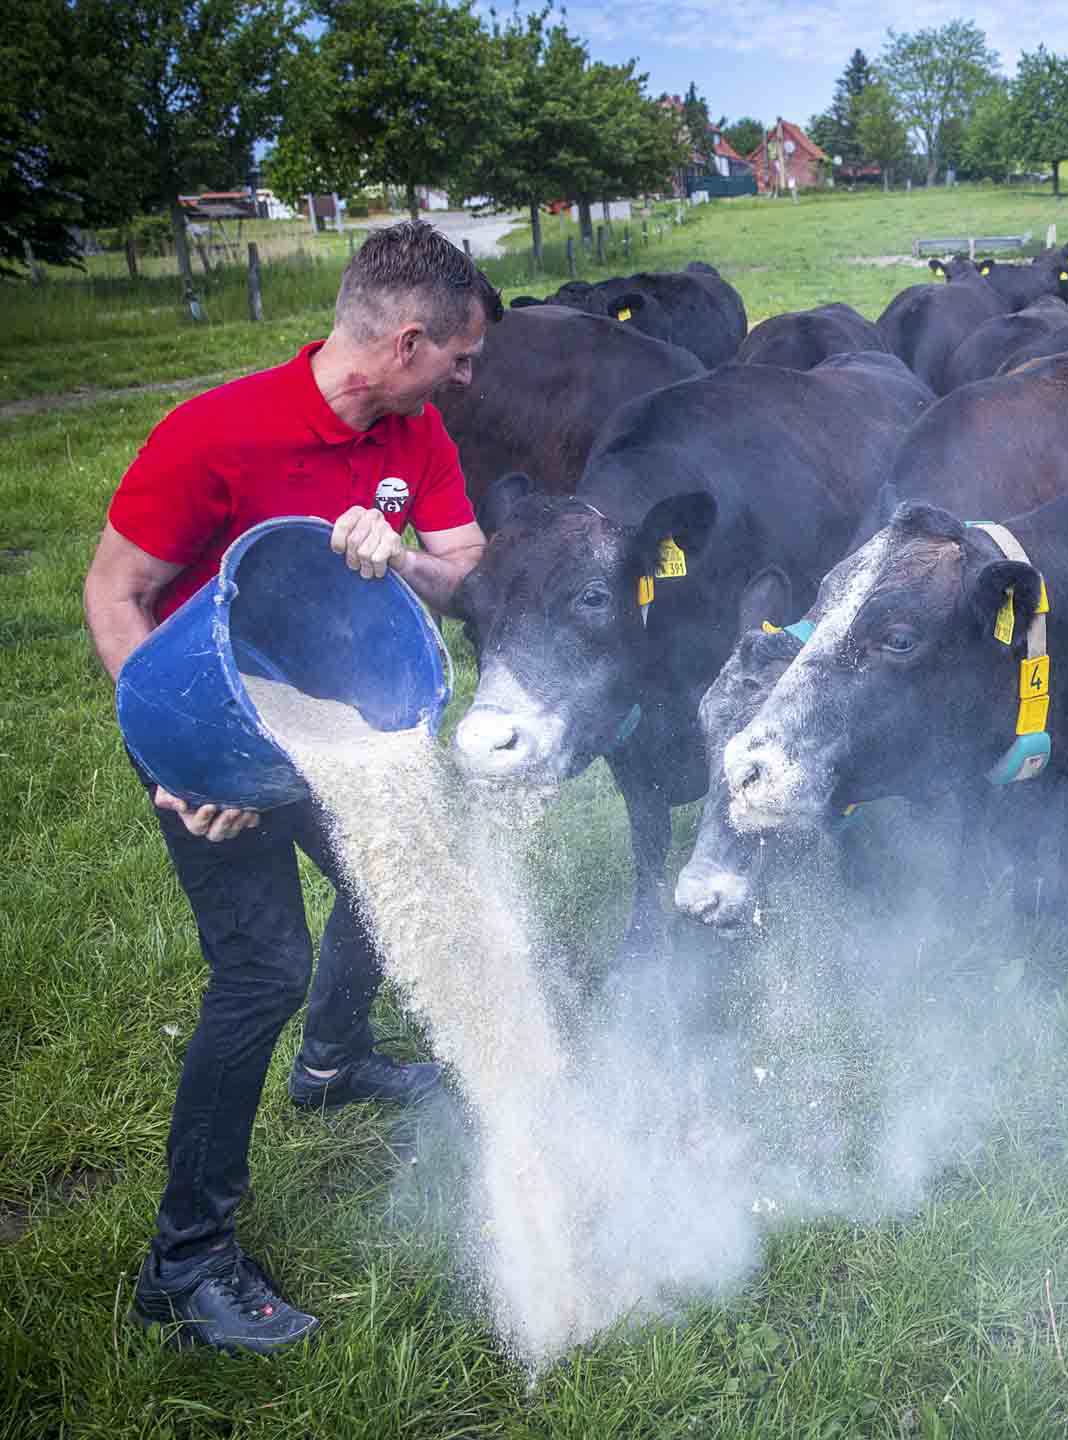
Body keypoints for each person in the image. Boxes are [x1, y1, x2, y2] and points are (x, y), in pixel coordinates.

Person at [81, 220, 500, 1355]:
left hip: (334, 722)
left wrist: (395, 552)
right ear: (408, 339)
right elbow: (115, 593)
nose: (468, 378)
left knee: (396, 865)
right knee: (259, 968)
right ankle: (186, 1262)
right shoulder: (215, 432)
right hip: (204, 725)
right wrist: (176, 753)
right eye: (458, 358)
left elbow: (461, 575)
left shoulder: (415, 431)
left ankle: (337, 1060)